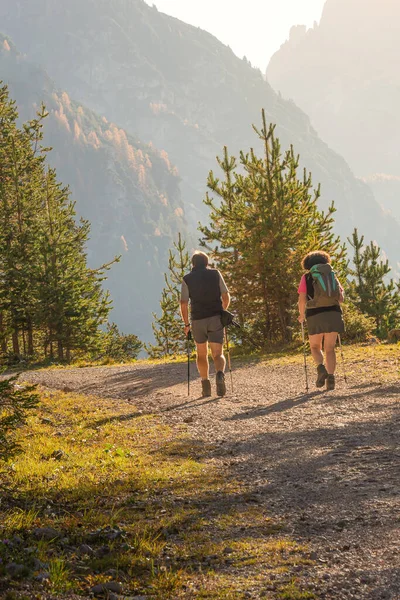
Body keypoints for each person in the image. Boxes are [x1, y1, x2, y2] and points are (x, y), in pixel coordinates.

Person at [180, 251, 231, 397]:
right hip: (215, 317)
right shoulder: (215, 274)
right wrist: (223, 310)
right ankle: (220, 374)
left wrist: (186, 324)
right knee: (218, 353)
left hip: (197, 320)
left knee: (201, 354)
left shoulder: (187, 279)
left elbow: (183, 303)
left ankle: (205, 385)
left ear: (193, 264)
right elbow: (226, 296)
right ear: (206, 262)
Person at [298, 251, 345, 391]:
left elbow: (302, 300)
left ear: (308, 264)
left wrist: (302, 315)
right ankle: (331, 379)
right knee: (330, 348)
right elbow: (341, 298)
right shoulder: (332, 275)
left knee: (314, 347)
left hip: (314, 315)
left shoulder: (306, 277)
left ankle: (321, 368)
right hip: (333, 313)